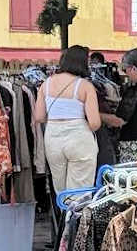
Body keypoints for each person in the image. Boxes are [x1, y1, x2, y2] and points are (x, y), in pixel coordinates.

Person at [34, 45, 102, 194]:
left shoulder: (46, 84)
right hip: (79, 136)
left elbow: (38, 117)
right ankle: (75, 218)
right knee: (80, 192)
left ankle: (65, 215)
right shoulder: (85, 86)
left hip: (53, 138)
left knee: (61, 190)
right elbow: (95, 123)